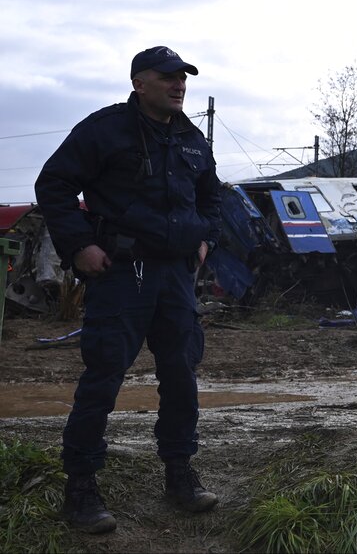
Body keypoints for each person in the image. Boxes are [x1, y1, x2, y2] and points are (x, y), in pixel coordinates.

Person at [35, 46, 222, 533]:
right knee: (103, 378)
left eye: (183, 78)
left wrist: (205, 239)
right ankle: (80, 489)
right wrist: (78, 247)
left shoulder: (191, 138)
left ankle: (180, 476)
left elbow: (213, 197)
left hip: (176, 276)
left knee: (181, 376)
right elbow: (53, 184)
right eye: (167, 78)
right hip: (121, 272)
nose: (178, 85)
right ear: (140, 82)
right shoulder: (105, 129)